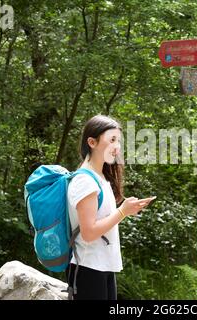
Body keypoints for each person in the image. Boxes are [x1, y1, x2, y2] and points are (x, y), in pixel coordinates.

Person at [65, 114, 156, 300]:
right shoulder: (84, 181)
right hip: (88, 268)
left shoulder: (101, 179)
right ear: (92, 142)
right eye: (112, 140)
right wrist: (122, 211)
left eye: (119, 141)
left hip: (102, 266)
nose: (117, 147)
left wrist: (126, 210)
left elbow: (102, 222)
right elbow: (89, 233)